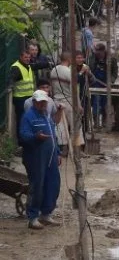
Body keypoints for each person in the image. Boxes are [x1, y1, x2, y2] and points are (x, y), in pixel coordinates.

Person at [19, 90, 62, 229]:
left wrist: (58, 152)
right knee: (37, 186)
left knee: (53, 184)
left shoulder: (46, 116)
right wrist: (36, 137)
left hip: (50, 157)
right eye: (40, 102)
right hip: (36, 157)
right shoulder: (28, 117)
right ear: (34, 102)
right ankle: (32, 217)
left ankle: (46, 213)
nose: (43, 104)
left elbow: (53, 136)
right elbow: (24, 136)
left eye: (44, 101)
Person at [50, 52, 84, 149]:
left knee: (60, 126)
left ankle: (63, 148)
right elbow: (74, 91)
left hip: (57, 101)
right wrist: (79, 105)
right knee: (76, 125)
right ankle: (77, 148)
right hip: (68, 101)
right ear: (69, 59)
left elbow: (51, 87)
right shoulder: (69, 72)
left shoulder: (53, 70)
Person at [89, 43, 118, 128]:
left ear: (103, 51)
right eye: (96, 53)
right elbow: (89, 68)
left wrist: (111, 81)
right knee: (96, 103)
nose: (97, 54)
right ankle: (96, 123)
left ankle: (104, 122)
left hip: (106, 85)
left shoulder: (111, 59)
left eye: (99, 53)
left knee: (106, 104)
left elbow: (115, 73)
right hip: (95, 84)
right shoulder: (92, 58)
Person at [11, 50, 35, 144]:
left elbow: (38, 65)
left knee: (29, 119)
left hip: (29, 97)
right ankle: (21, 142)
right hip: (20, 98)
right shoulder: (16, 67)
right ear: (20, 57)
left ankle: (28, 139)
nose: (28, 59)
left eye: (29, 57)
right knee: (21, 120)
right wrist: (10, 84)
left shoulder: (28, 66)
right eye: (25, 57)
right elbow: (11, 79)